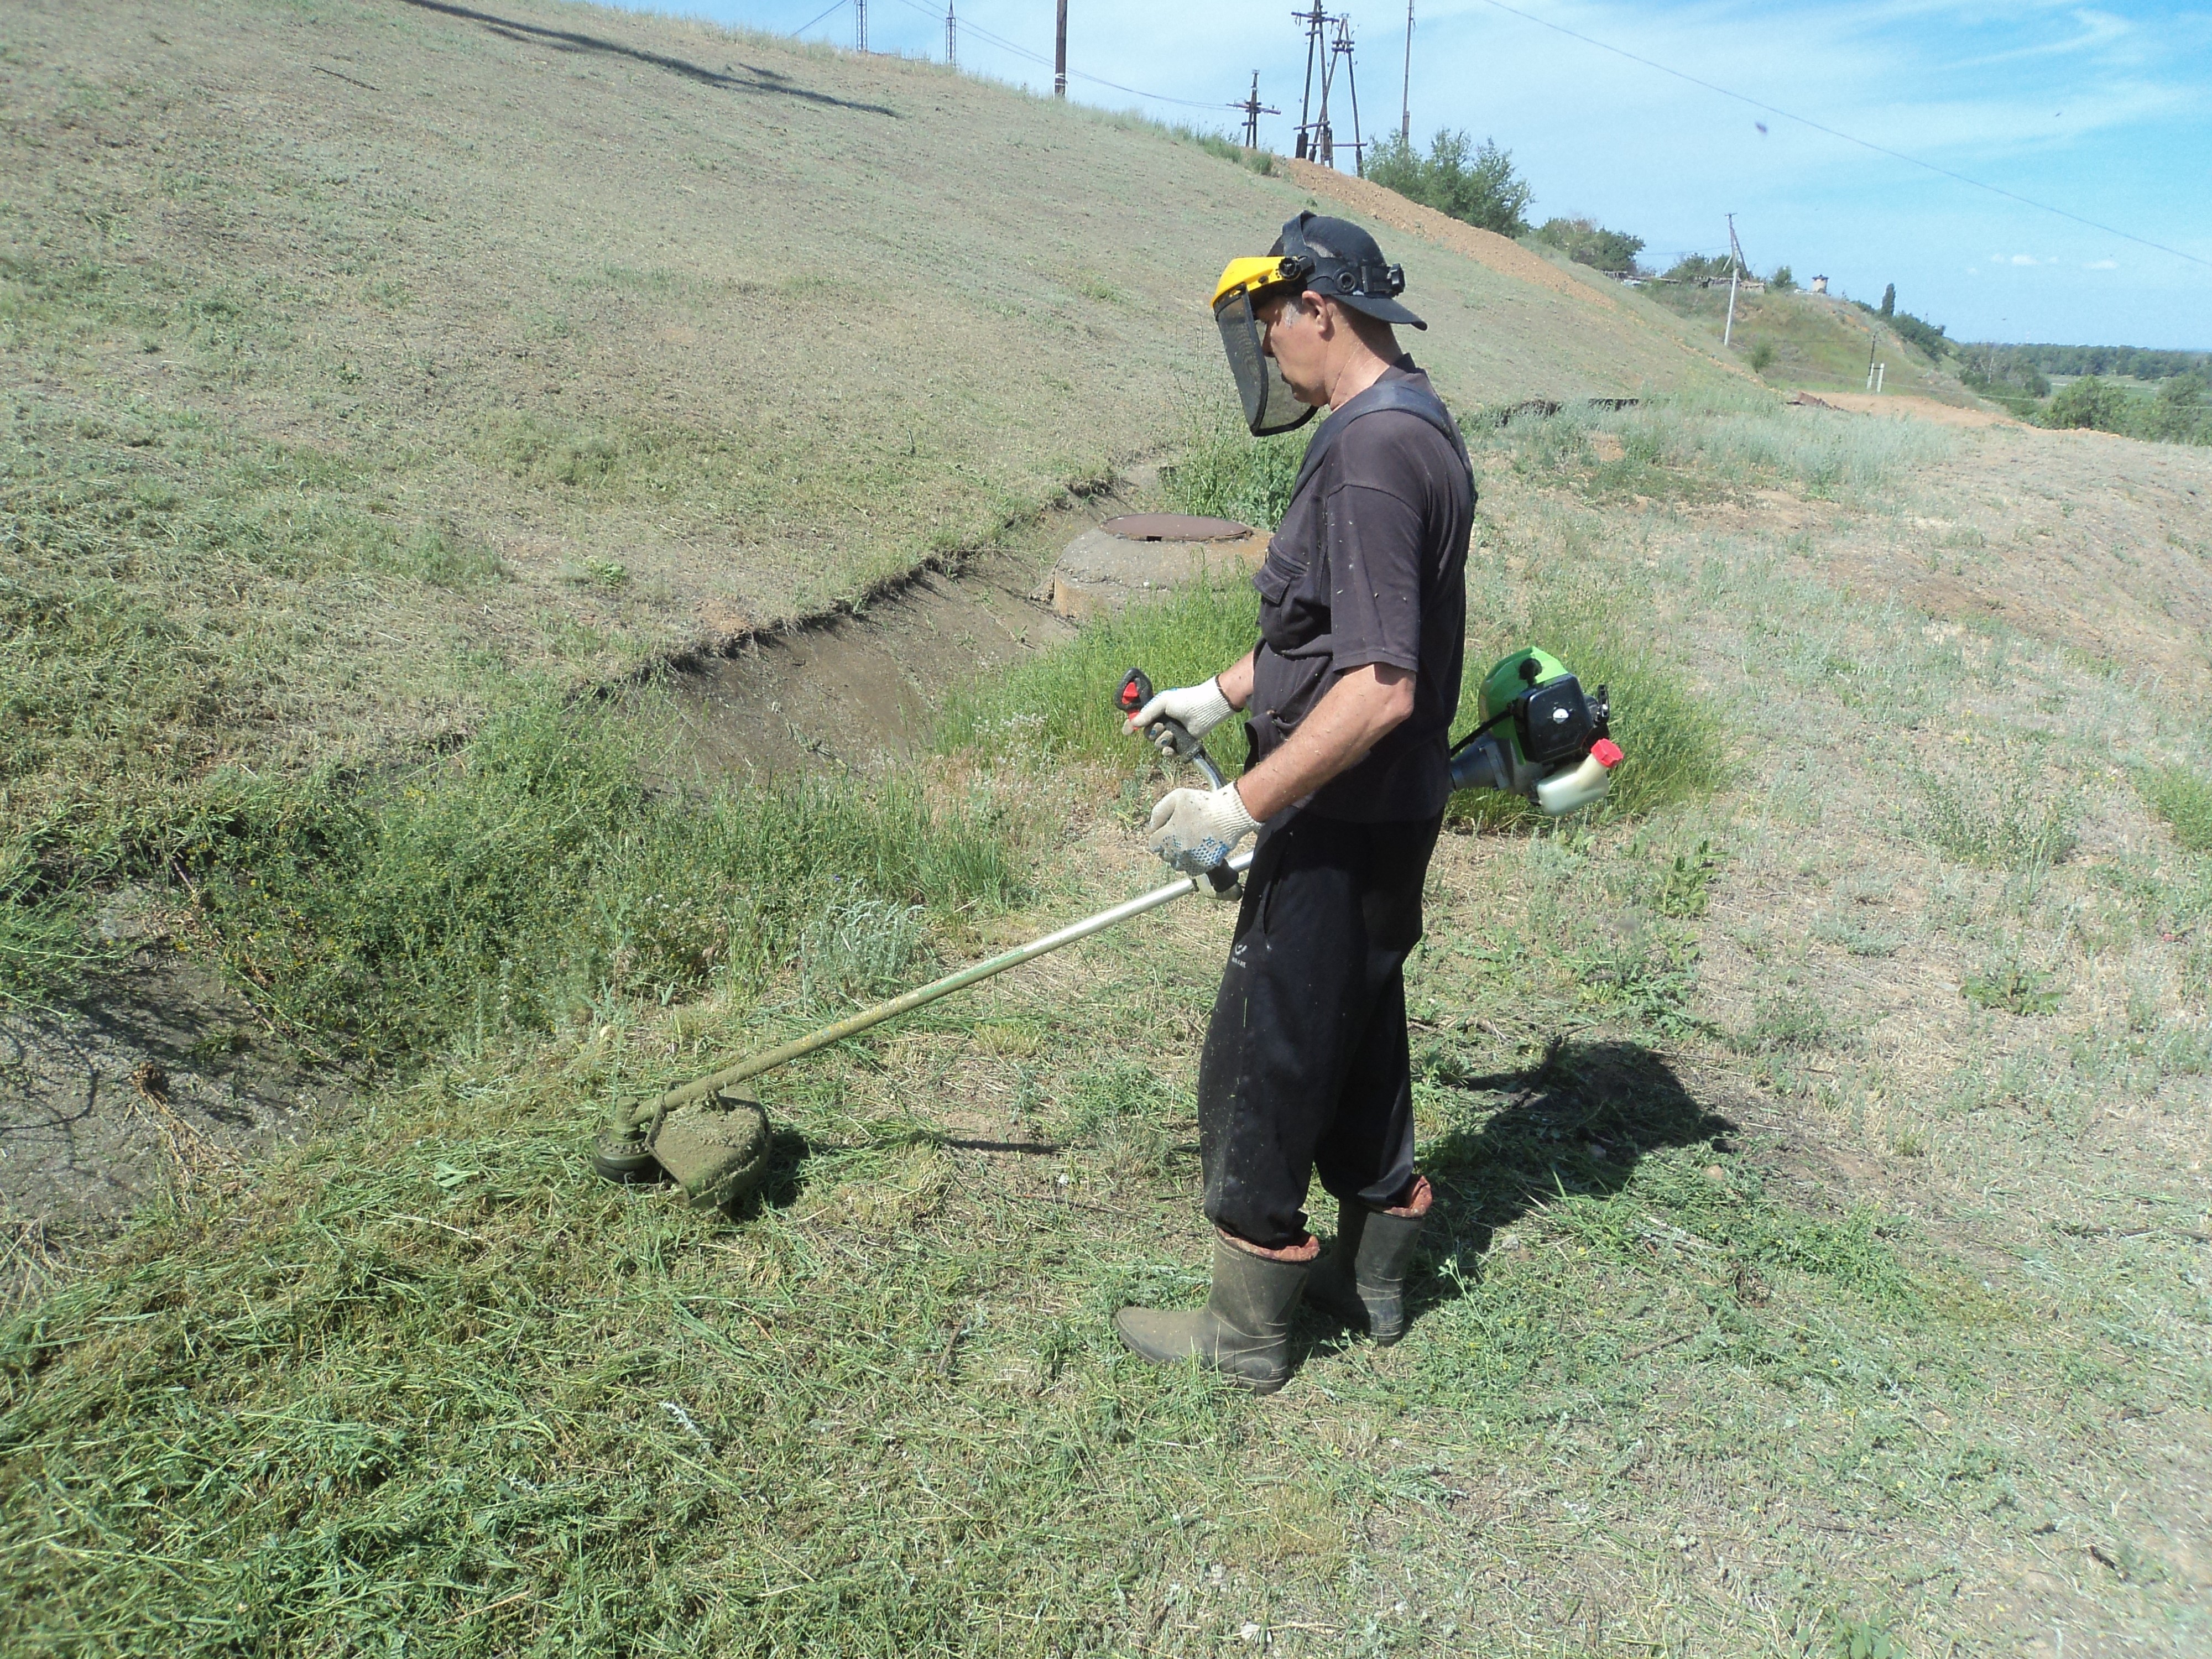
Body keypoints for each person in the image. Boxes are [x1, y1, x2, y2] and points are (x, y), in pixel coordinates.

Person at [1113, 213, 1475, 1394]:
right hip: (1389, 807)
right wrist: (1217, 697)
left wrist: (1241, 809)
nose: (1266, 353)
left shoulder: (1366, 456)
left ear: (1317, 305)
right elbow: (1329, 634)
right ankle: (1372, 1272)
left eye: (1269, 325)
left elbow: (1375, 685)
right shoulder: (1412, 423)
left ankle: (1248, 1329)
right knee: (1354, 1033)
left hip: (1336, 807)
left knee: (1263, 1057)